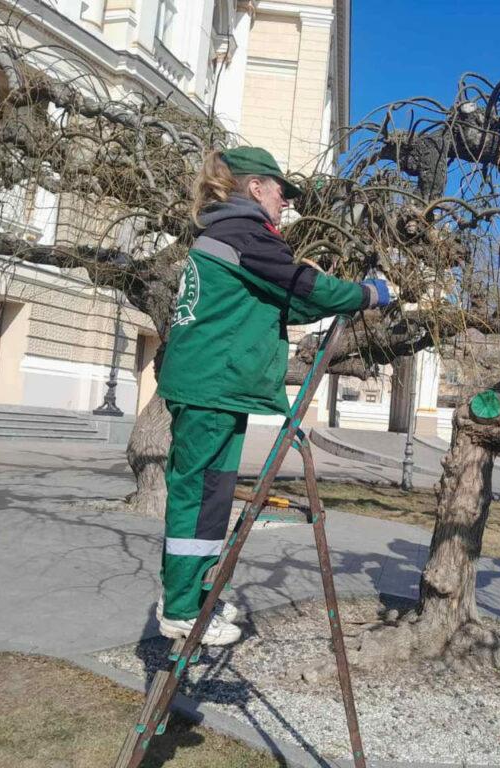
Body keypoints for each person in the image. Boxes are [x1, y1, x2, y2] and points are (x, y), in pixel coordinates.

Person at [155, 146, 390, 645]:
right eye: (282, 192)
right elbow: (306, 289)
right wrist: (368, 294)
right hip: (211, 387)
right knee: (199, 499)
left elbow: (281, 304)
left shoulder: (232, 234)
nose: (286, 204)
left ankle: (192, 593)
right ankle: (179, 607)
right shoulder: (246, 232)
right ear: (256, 187)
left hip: (213, 386)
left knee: (210, 499)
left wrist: (335, 296)